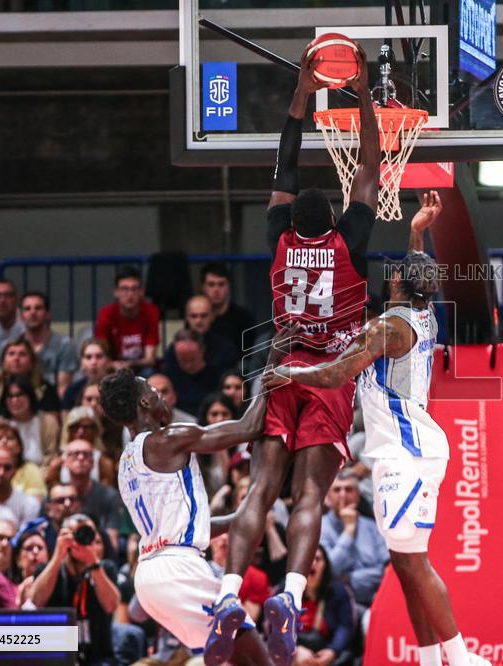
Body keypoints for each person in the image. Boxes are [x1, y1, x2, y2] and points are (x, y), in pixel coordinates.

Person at [211, 46, 385, 666]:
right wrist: (362, 94)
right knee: (308, 497)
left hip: (281, 368)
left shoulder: (276, 236)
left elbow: (284, 162)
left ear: (290, 218)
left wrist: (301, 93)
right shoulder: (354, 240)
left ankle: (230, 594)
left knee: (261, 486)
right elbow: (369, 163)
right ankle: (288, 596)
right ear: (336, 218)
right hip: (329, 375)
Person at [261, 223, 491, 665]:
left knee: (415, 564)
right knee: (404, 564)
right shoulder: (423, 313)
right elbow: (418, 273)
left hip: (406, 453)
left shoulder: (387, 327)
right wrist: (417, 233)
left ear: (400, 283)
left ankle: (461, 658)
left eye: (396, 272)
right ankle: (429, 659)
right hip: (407, 451)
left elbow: (334, 375)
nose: (390, 275)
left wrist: (289, 373)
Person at [98, 327, 286, 666]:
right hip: (178, 570)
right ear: (144, 402)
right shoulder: (168, 438)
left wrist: (236, 519)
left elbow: (182, 526)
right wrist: (270, 365)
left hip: (152, 578)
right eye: (154, 391)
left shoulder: (125, 462)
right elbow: (247, 428)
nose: (161, 396)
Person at [29, 513, 122, 665]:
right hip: (57, 657)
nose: (83, 540)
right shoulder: (48, 570)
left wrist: (93, 563)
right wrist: (58, 556)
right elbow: (36, 601)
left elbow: (111, 605)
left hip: (98, 658)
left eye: (88, 534)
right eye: (77, 534)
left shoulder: (105, 569)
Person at [318, 470, 389, 608]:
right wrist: (348, 531)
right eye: (337, 490)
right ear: (327, 497)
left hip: (375, 601)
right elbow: (329, 571)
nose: (343, 495)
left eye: (349, 489)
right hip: (334, 605)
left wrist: (349, 579)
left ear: (358, 495)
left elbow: (387, 569)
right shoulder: (319, 527)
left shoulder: (372, 526)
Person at [293, 546, 357, 666]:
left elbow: (345, 626)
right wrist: (294, 650)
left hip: (327, 655)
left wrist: (333, 650)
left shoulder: (340, 591)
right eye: (308, 559)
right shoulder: (286, 591)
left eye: (317, 559)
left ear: (325, 565)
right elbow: (274, 628)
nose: (313, 563)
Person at [0, 337, 62, 419]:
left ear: (32, 363)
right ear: (3, 362)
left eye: (22, 354)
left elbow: (52, 421)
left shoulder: (45, 389)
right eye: (11, 354)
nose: (16, 358)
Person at [95, 265, 159, 374]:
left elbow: (150, 359)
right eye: (124, 289)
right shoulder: (106, 314)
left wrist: (128, 364)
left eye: (134, 289)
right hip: (113, 368)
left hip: (141, 368)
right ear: (116, 292)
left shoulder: (151, 312)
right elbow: (101, 354)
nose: (130, 294)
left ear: (141, 292)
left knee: (149, 373)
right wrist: (113, 365)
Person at [60, 438, 122, 549]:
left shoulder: (109, 495)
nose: (81, 458)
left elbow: (112, 543)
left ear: (93, 462)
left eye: (86, 454)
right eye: (75, 454)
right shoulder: (56, 496)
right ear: (64, 462)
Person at [0, 420, 47, 502]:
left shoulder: (31, 470)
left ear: (19, 447)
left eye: (10, 438)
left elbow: (36, 503)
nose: (4, 441)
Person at [20, 292, 78, 397]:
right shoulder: (14, 347)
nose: (33, 312)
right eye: (27, 309)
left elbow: (63, 390)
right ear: (21, 316)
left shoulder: (64, 345)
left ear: (47, 314)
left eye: (38, 308)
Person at [0, 374, 60, 465]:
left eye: (19, 395)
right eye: (10, 396)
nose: (15, 401)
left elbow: (52, 455)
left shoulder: (48, 422)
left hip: (42, 473)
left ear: (30, 397)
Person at [202, 262, 257, 355]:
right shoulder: (196, 316)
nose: (216, 290)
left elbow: (248, 356)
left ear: (229, 287)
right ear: (202, 287)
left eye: (221, 284)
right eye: (211, 284)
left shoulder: (244, 318)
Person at [163, 329, 219, 415]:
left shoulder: (216, 376)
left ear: (202, 351)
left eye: (192, 360)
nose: (188, 365)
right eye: (183, 360)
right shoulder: (168, 374)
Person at [180, 294, 239, 373]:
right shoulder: (176, 348)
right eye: (194, 316)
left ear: (212, 316)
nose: (198, 321)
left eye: (203, 316)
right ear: (187, 318)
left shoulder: (226, 348)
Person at [62, 338, 111, 411]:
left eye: (99, 356)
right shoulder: (72, 391)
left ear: (108, 360)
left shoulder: (119, 389)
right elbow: (66, 421)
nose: (94, 362)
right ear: (82, 362)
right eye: (88, 357)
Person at [11, 517, 49, 607]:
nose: (35, 551)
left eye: (40, 548)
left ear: (48, 557)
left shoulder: (57, 590)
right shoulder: (9, 591)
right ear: (18, 559)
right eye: (29, 548)